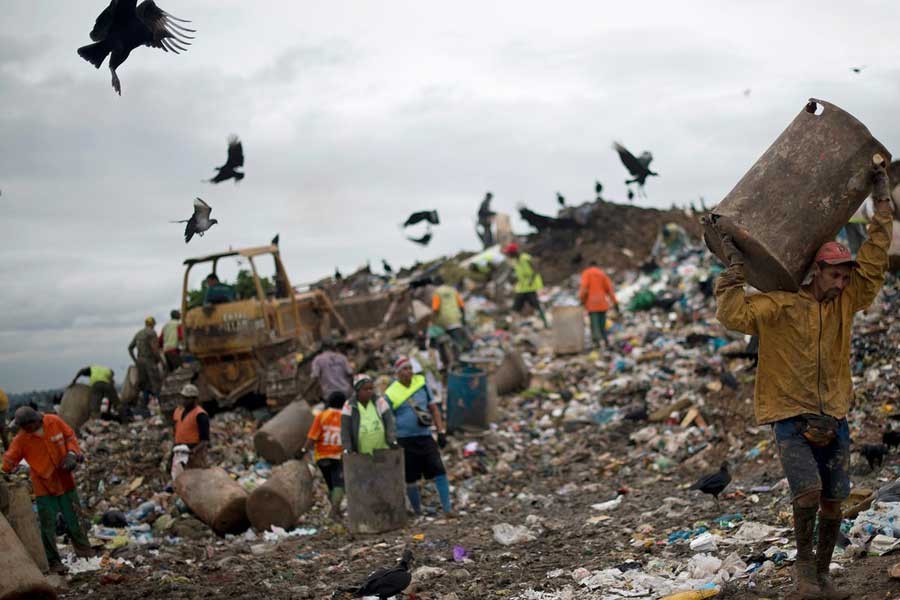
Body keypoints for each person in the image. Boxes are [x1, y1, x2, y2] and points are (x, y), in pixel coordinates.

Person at [711, 164, 893, 600]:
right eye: (835, 275)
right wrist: (735, 268)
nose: (842, 282)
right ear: (816, 272)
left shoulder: (847, 303)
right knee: (808, 492)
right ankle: (804, 576)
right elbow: (732, 313)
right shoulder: (780, 306)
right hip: (790, 414)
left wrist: (882, 200)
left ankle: (824, 577)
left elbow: (874, 256)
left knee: (835, 501)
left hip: (834, 412)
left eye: (846, 276)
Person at [2, 406, 94, 573]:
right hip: (44, 486)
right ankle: (54, 561)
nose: (22, 429)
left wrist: (72, 454)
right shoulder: (22, 439)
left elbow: (69, 436)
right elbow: (9, 460)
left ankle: (85, 552)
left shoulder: (53, 421)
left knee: (75, 519)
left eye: (25, 426)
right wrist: (3, 470)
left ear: (33, 422)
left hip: (65, 481)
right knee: (48, 526)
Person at [385, 356, 451, 516]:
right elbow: (387, 419)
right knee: (410, 477)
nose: (408, 372)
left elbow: (433, 408)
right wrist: (391, 440)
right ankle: (417, 511)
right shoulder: (391, 393)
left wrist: (441, 431)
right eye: (404, 369)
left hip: (425, 435)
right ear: (398, 373)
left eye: (410, 368)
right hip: (405, 439)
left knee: (439, 470)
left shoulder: (420, 383)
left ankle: (448, 509)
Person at [302, 391, 346, 519]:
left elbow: (312, 437)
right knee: (339, 483)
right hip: (338, 455)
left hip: (321, 456)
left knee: (330, 484)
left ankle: (335, 510)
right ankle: (335, 510)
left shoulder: (321, 416)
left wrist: (304, 450)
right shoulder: (345, 417)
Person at [341, 374, 397, 455]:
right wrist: (347, 448)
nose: (369, 391)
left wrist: (392, 440)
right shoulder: (349, 405)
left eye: (371, 388)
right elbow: (345, 429)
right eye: (365, 389)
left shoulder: (379, 401)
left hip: (382, 451)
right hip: (361, 453)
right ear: (357, 390)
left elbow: (389, 422)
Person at [502, 243, 548, 327]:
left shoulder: (525, 258)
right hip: (523, 288)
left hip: (533, 286)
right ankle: (512, 326)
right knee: (516, 306)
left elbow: (536, 269)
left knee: (537, 305)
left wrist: (531, 280)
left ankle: (545, 323)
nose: (508, 255)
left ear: (513, 252)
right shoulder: (516, 261)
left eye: (509, 253)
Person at [579, 261, 619, 348]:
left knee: (594, 325)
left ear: (589, 266)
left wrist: (582, 300)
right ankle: (605, 341)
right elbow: (610, 290)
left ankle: (597, 343)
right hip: (602, 303)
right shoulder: (602, 274)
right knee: (602, 324)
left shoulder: (587, 273)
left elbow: (584, 289)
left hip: (592, 304)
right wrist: (615, 303)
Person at [128, 316, 163, 412]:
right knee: (156, 385)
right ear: (152, 324)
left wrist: (135, 360)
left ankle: (142, 408)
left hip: (140, 362)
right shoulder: (151, 333)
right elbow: (155, 349)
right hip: (149, 361)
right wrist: (160, 360)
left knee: (145, 386)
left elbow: (130, 348)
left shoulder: (139, 333)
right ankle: (163, 407)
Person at [172, 384, 209, 472]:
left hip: (194, 451)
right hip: (179, 451)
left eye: (187, 398)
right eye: (183, 397)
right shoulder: (178, 411)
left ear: (195, 399)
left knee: (195, 478)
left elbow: (205, 440)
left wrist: (193, 452)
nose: (184, 400)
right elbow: (175, 430)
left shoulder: (200, 415)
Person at [305, 339, 353, 403]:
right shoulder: (342, 357)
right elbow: (350, 374)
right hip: (345, 392)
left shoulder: (318, 359)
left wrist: (317, 392)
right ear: (333, 347)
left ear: (322, 348)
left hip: (330, 394)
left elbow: (315, 377)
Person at [430, 276, 471, 351]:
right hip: (456, 317)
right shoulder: (452, 290)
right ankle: (465, 351)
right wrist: (463, 318)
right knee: (460, 337)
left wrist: (432, 321)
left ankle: (459, 355)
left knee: (453, 341)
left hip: (444, 320)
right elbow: (461, 305)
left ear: (435, 284)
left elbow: (435, 309)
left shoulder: (437, 293)